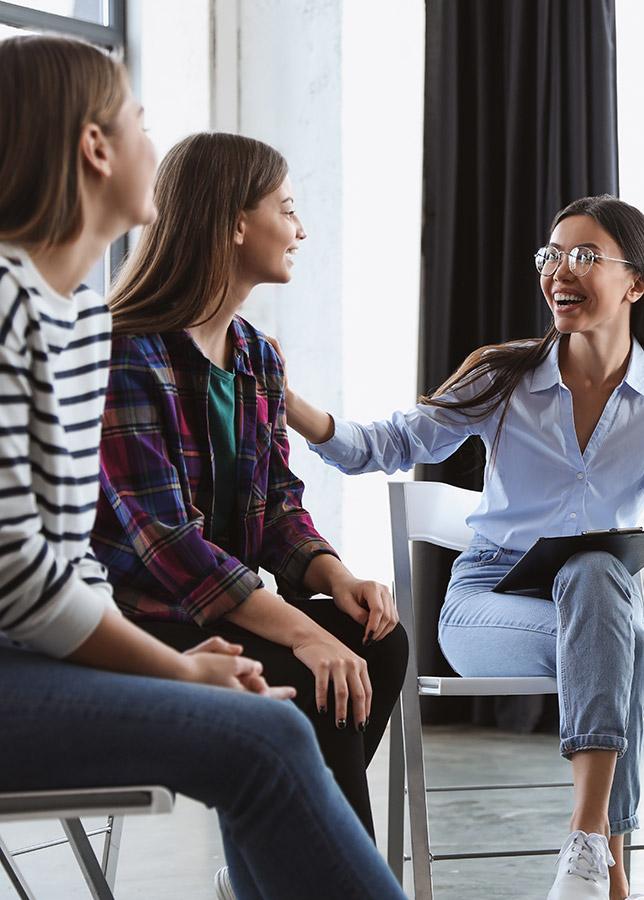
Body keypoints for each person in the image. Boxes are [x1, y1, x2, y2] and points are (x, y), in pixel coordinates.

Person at [0, 34, 409, 900]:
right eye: (140, 121)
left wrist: (330, 580)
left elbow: (275, 507)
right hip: (87, 631)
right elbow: (74, 567)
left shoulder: (71, 320)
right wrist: (189, 669)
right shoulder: (61, 327)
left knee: (347, 665)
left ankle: (277, 870)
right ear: (94, 148)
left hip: (58, 635)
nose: (159, 146)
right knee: (274, 722)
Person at [280, 193, 644, 900]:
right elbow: (383, 445)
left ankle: (584, 849)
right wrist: (289, 400)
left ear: (635, 282)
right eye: (550, 255)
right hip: (488, 605)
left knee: (601, 576)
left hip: (596, 607)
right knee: (619, 631)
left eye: (582, 255)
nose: (557, 271)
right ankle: (608, 868)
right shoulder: (504, 375)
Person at [90, 134, 409, 860]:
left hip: (225, 607)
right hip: (142, 624)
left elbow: (279, 509)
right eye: (288, 209)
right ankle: (325, 869)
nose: (300, 230)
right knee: (307, 666)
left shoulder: (256, 356)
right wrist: (303, 630)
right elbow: (168, 547)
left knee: (376, 641)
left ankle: (296, 863)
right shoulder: (125, 351)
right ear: (235, 223)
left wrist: (337, 581)